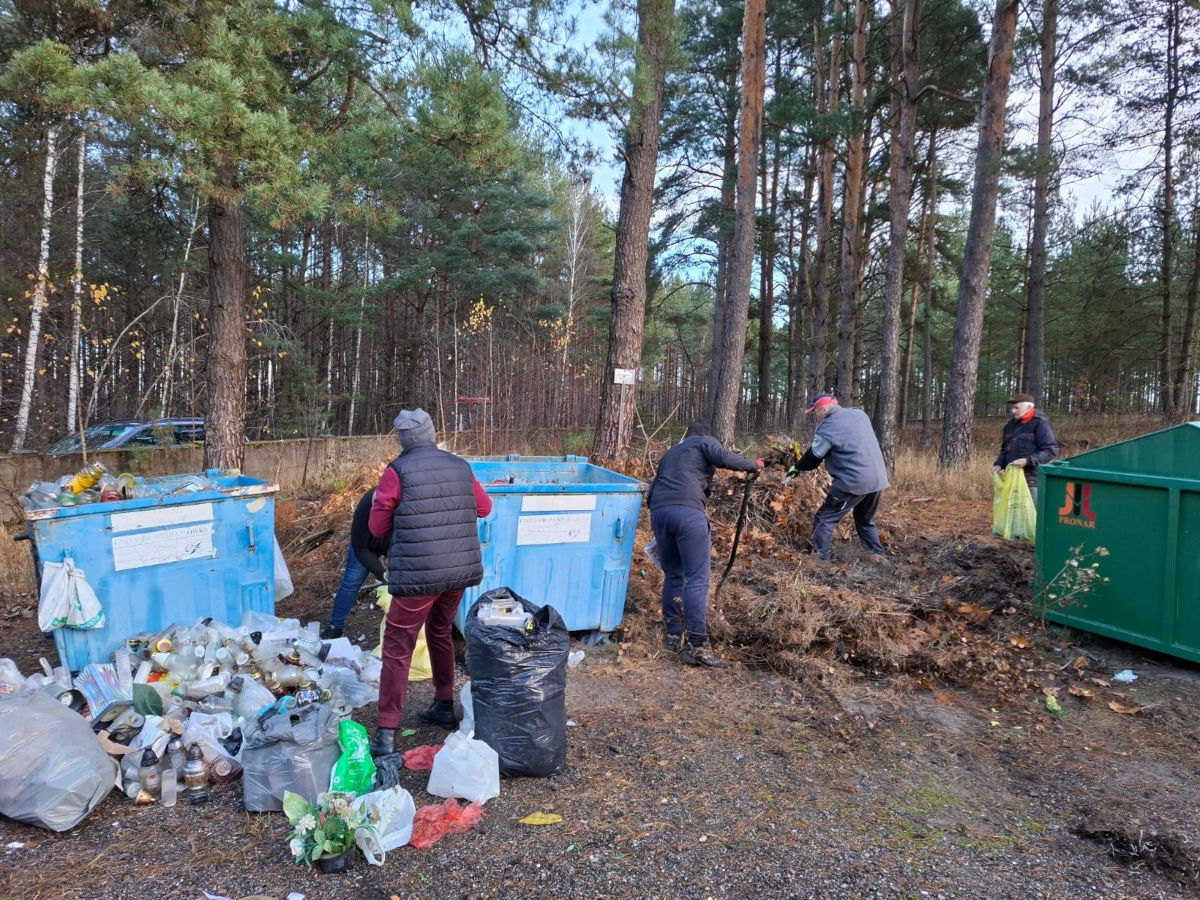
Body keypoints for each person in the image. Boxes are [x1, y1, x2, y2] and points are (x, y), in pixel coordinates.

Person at [366, 408, 492, 757]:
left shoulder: (396, 471)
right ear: (432, 433)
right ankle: (444, 704)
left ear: (403, 439)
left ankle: (387, 733)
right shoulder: (460, 466)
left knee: (398, 645)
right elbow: (484, 508)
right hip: (458, 572)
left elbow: (377, 528)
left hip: (419, 575)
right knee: (440, 632)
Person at [647, 421, 763, 668]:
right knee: (697, 579)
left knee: (673, 576)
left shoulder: (671, 453)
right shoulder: (703, 441)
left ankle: (673, 636)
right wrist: (755, 465)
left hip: (659, 513)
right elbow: (723, 457)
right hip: (688, 514)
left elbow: (652, 491)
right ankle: (698, 645)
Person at [789, 394, 889, 562]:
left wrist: (797, 466)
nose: (815, 417)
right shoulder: (859, 414)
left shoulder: (827, 427)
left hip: (853, 481)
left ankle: (821, 562)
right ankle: (879, 558)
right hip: (877, 479)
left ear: (824, 409)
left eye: (815, 412)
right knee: (864, 521)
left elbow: (814, 457)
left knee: (824, 519)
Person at [320, 488, 385, 640]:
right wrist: (381, 573)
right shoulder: (367, 504)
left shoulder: (410, 505)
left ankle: (406, 631)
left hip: (397, 545)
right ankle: (334, 626)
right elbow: (360, 549)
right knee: (351, 582)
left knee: (404, 586)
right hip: (365, 544)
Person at [992, 392, 1058, 503]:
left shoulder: (1040, 423)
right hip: (1012, 478)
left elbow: (1050, 450)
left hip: (1032, 480)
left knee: (1033, 516)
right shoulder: (1010, 425)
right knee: (1015, 515)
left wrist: (1028, 461)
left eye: (1017, 408)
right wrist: (999, 464)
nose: (1013, 411)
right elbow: (1005, 449)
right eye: (1012, 408)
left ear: (1029, 407)